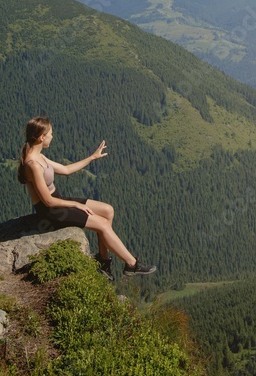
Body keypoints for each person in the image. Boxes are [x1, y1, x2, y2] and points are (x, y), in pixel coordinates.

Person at [18, 116, 155, 278]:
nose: (52, 137)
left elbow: (66, 169)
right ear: (42, 137)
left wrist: (92, 157)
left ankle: (103, 261)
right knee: (103, 224)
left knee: (107, 210)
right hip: (50, 212)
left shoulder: (40, 157)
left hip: (58, 202)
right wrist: (76, 205)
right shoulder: (32, 164)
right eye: (50, 134)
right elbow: (47, 200)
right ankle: (131, 264)